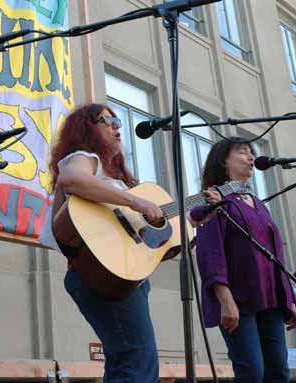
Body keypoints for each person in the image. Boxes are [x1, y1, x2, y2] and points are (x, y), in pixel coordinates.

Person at [41, 103, 218, 382]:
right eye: (107, 119)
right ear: (85, 128)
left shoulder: (117, 180)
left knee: (127, 359)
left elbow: (152, 240)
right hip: (98, 274)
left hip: (123, 276)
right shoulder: (84, 157)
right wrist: (136, 201)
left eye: (117, 120)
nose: (117, 125)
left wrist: (193, 223)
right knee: (138, 359)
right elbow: (72, 179)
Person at [194, 137, 296, 383]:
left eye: (252, 152)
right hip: (238, 300)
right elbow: (210, 252)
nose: (251, 157)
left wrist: (288, 298)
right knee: (251, 373)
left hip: (270, 300)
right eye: (242, 152)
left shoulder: (260, 205)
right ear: (223, 161)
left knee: (279, 373)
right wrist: (225, 299)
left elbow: (275, 253)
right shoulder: (214, 199)